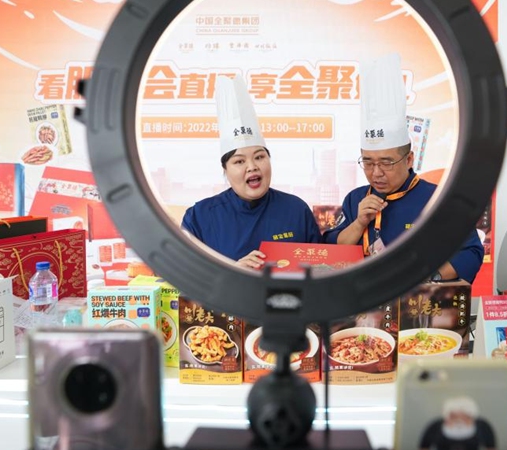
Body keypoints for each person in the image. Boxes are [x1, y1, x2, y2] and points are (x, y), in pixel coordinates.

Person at [323, 53, 483, 283]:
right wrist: (359, 223)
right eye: (367, 162)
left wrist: (428, 277)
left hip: (416, 305)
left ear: (409, 159)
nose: (376, 172)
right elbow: (330, 251)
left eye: (386, 163)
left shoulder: (438, 198)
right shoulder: (355, 198)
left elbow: (470, 253)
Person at [181, 76, 322, 269]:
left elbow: (321, 268)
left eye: (259, 157)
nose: (252, 166)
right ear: (225, 170)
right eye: (239, 161)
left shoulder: (296, 209)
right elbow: (184, 275)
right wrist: (234, 274)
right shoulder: (200, 216)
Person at [418, 396, 496, 450]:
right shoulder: (435, 426)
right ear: (446, 417)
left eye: (465, 417)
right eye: (454, 416)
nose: (459, 420)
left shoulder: (482, 426)